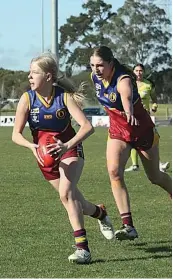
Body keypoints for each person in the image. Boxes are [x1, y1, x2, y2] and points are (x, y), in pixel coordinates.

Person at [12, 53, 114, 264]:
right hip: (45, 158)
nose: (29, 76)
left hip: (69, 150)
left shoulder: (64, 97)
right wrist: (32, 146)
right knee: (76, 201)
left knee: (66, 194)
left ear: (48, 76)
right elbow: (15, 134)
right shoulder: (26, 99)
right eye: (29, 72)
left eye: (34, 73)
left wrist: (67, 145)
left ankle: (83, 249)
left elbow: (87, 127)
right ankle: (100, 213)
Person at [89, 46, 172, 241]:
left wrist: (128, 111)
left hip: (141, 130)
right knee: (114, 172)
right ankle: (128, 226)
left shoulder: (123, 78)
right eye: (92, 65)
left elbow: (125, 95)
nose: (96, 69)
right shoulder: (95, 78)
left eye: (100, 65)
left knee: (155, 177)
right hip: (118, 132)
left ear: (111, 63)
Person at [125, 63, 170, 173]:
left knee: (154, 138)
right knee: (132, 140)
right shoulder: (128, 83)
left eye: (141, 70)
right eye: (136, 70)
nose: (139, 73)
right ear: (133, 71)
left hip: (145, 117)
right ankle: (135, 165)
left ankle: (158, 164)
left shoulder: (149, 84)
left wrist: (154, 105)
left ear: (143, 72)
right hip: (131, 116)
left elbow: (154, 99)